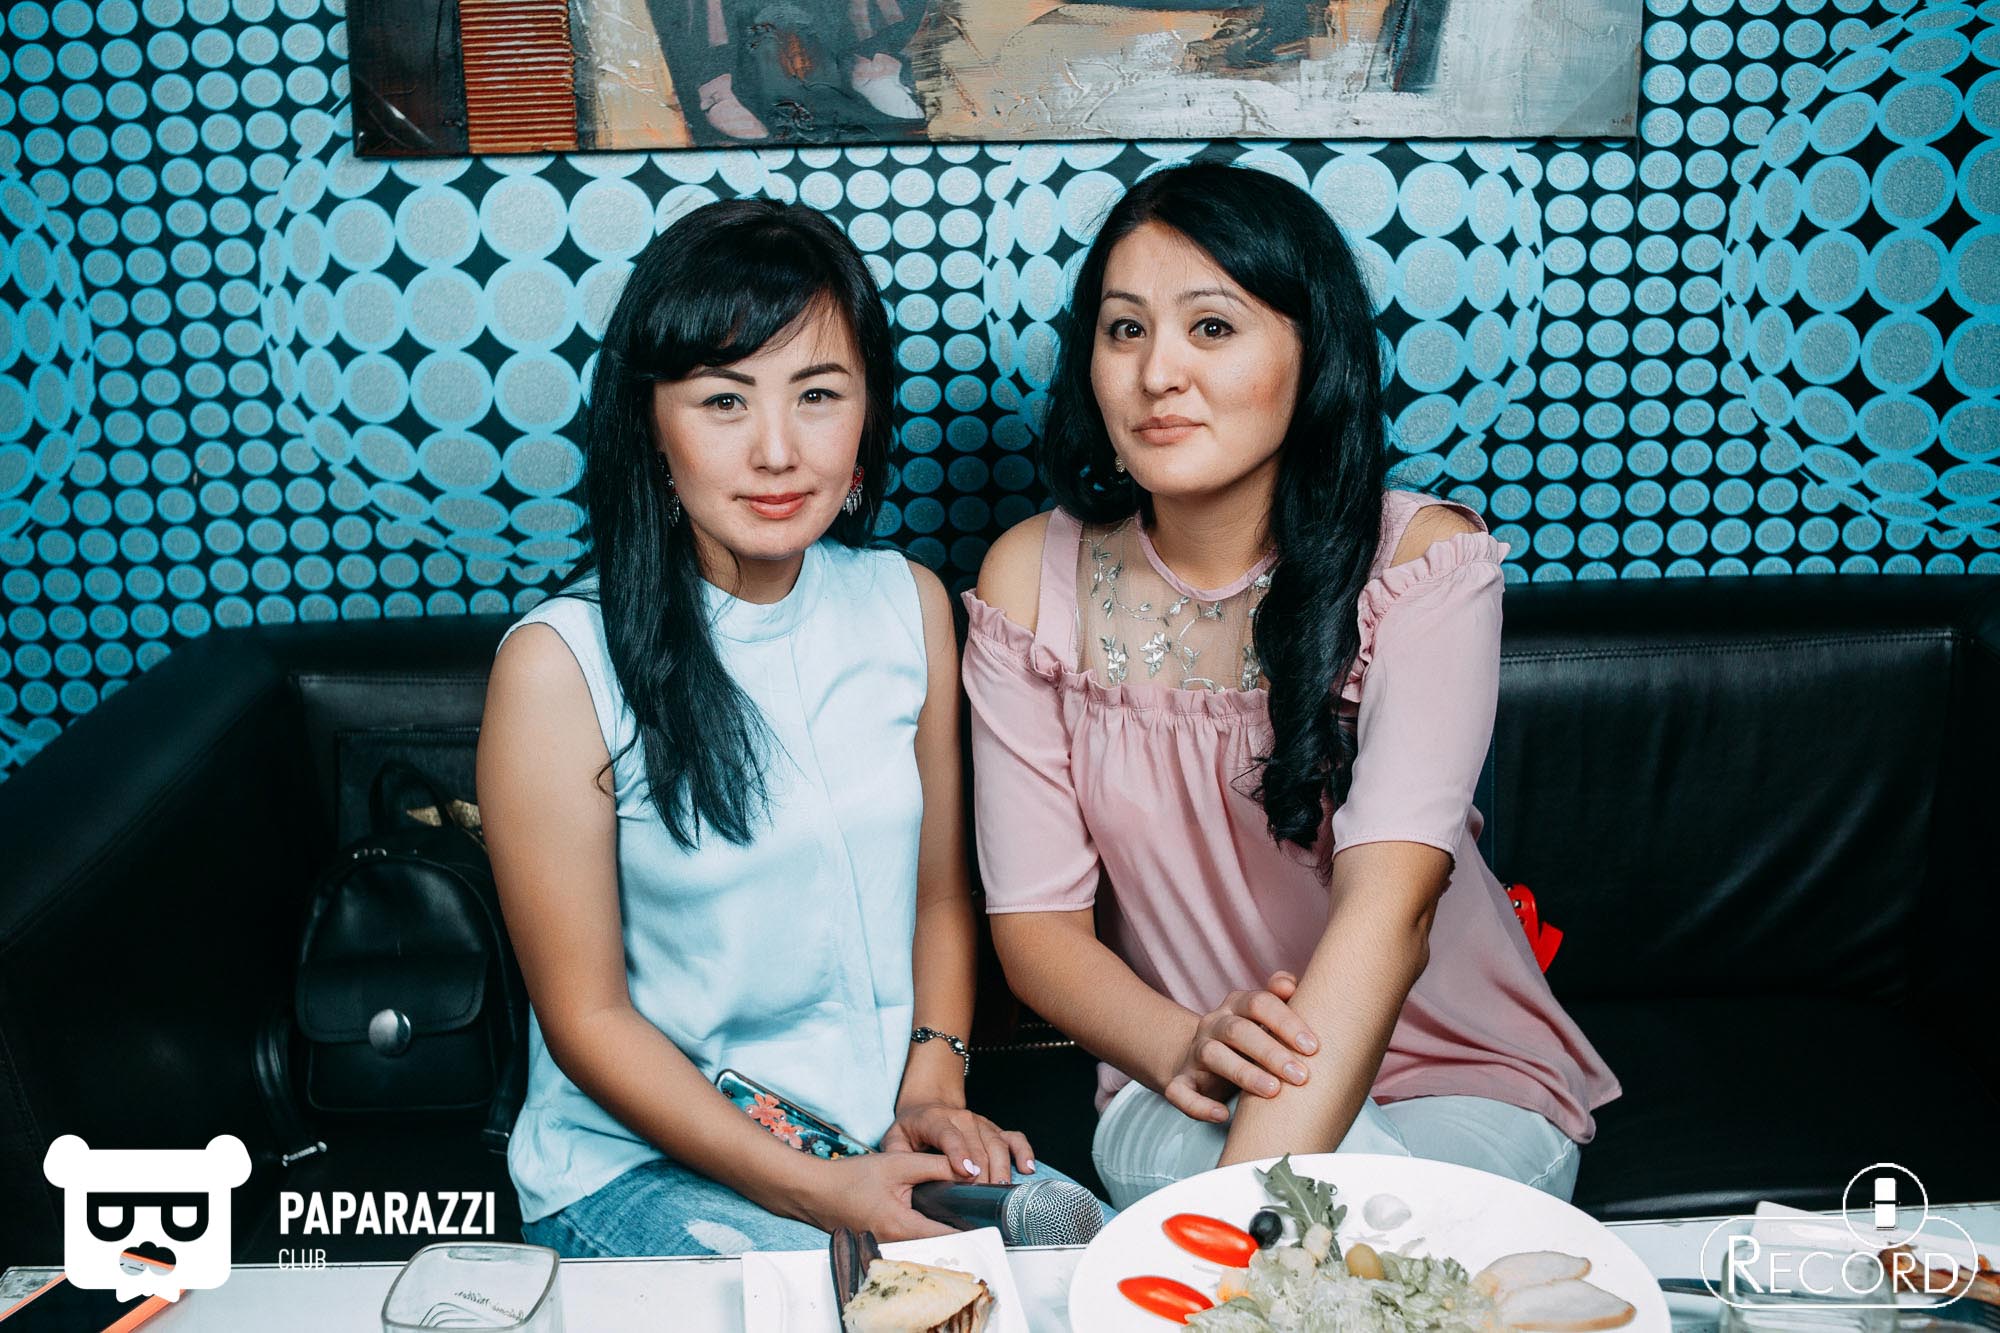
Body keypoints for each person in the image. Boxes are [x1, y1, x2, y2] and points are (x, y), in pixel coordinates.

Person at [961, 161, 1620, 1211]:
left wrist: (1246, 1229)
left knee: (1363, 1204)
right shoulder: (1028, 580)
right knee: (1369, 1229)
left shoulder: (1421, 562)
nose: (1158, 373)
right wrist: (1186, 1042)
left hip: (1456, 1078)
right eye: (1125, 330)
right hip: (1185, 1076)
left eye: (1211, 327)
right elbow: (1035, 931)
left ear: (1311, 353)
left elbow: (1391, 909)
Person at [477, 198, 1045, 1256]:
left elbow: (937, 895)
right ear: (651, 423)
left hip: (873, 1134)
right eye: (724, 400)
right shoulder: (559, 664)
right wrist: (816, 1193)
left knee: (1079, 1264)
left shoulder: (907, 604)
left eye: (817, 394)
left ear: (866, 416)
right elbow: (587, 1021)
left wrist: (932, 1081)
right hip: (638, 1164)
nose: (778, 450)